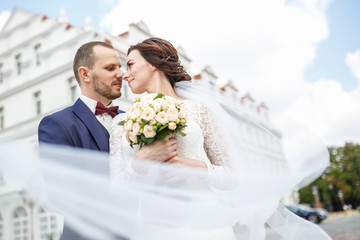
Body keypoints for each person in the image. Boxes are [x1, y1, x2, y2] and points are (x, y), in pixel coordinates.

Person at [109, 38, 332, 240]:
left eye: (129, 64)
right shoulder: (121, 124)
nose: (124, 74)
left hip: (206, 225)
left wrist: (199, 167)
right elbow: (115, 191)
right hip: (152, 228)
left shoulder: (200, 111)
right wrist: (139, 164)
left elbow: (231, 177)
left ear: (154, 63)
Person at [38, 40, 177, 239]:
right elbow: (62, 198)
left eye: (120, 67)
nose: (120, 74)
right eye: (110, 68)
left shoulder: (137, 118)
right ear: (85, 74)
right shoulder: (57, 125)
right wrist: (137, 166)